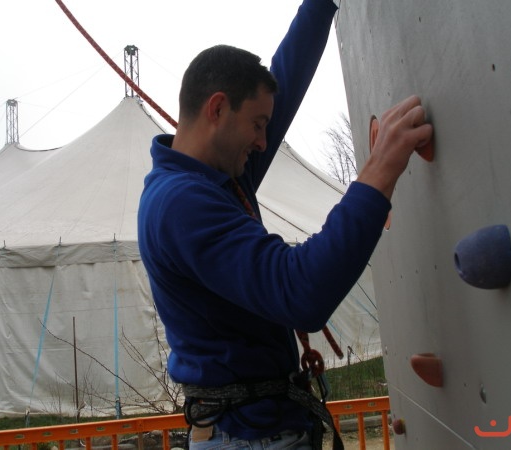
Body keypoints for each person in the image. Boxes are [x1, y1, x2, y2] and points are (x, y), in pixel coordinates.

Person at [138, 1, 433, 449]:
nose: (264, 141)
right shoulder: (181, 204)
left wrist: (320, 6)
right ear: (217, 109)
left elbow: (286, 79)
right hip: (248, 438)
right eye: (258, 125)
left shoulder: (219, 179)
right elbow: (300, 292)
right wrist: (380, 170)